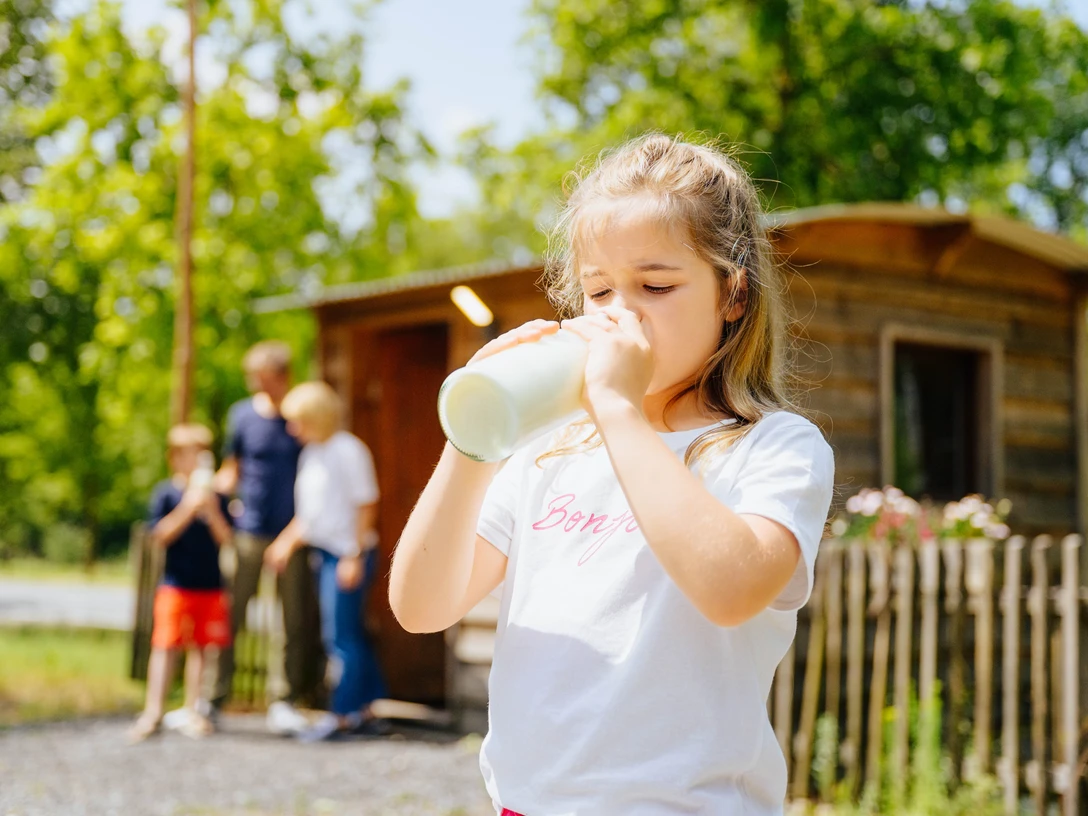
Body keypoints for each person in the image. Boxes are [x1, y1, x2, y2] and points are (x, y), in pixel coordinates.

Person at [389, 134, 836, 815]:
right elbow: (421, 605)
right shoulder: (548, 449)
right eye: (598, 290)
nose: (620, 313)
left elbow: (730, 589)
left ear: (734, 294)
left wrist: (620, 411)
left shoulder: (774, 447)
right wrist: (472, 437)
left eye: (655, 286)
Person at [212, 340, 324, 734]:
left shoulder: (300, 418)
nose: (260, 387)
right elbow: (232, 469)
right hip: (248, 532)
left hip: (290, 534)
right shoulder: (241, 416)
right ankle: (211, 697)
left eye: (266, 380)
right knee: (230, 614)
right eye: (255, 380)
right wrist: (209, 495)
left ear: (283, 377)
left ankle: (284, 700)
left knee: (289, 619)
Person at [264, 381, 386, 742]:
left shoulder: (348, 450)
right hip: (325, 552)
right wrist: (284, 543)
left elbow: (367, 504)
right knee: (347, 632)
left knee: (340, 636)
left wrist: (354, 554)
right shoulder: (312, 453)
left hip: (347, 553)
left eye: (297, 421)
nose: (291, 429)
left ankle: (343, 713)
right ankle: (366, 707)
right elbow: (311, 514)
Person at [129, 424, 233, 743]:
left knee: (202, 650)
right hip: (176, 585)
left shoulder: (217, 496)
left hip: (209, 585)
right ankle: (153, 711)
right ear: (175, 458)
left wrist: (212, 510)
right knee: (166, 646)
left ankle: (193, 709)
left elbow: (227, 538)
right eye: (192, 454)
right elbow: (160, 536)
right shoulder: (167, 493)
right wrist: (188, 508)